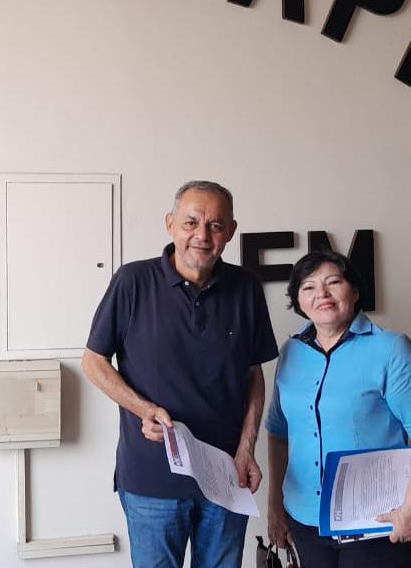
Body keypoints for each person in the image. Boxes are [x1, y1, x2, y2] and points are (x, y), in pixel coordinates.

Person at [83, 180, 279, 568]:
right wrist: (142, 409)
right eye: (191, 223)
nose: (202, 236)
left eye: (216, 226)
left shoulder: (246, 288)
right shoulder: (132, 281)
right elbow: (94, 361)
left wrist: (247, 448)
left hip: (226, 478)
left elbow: (253, 374)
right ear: (170, 224)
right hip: (152, 480)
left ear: (231, 233)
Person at [265, 250, 411, 568]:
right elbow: (278, 432)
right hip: (305, 524)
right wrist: (275, 507)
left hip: (378, 526)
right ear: (298, 301)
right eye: (308, 287)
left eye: (333, 282)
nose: (321, 294)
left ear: (354, 291)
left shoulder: (390, 349)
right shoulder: (291, 352)